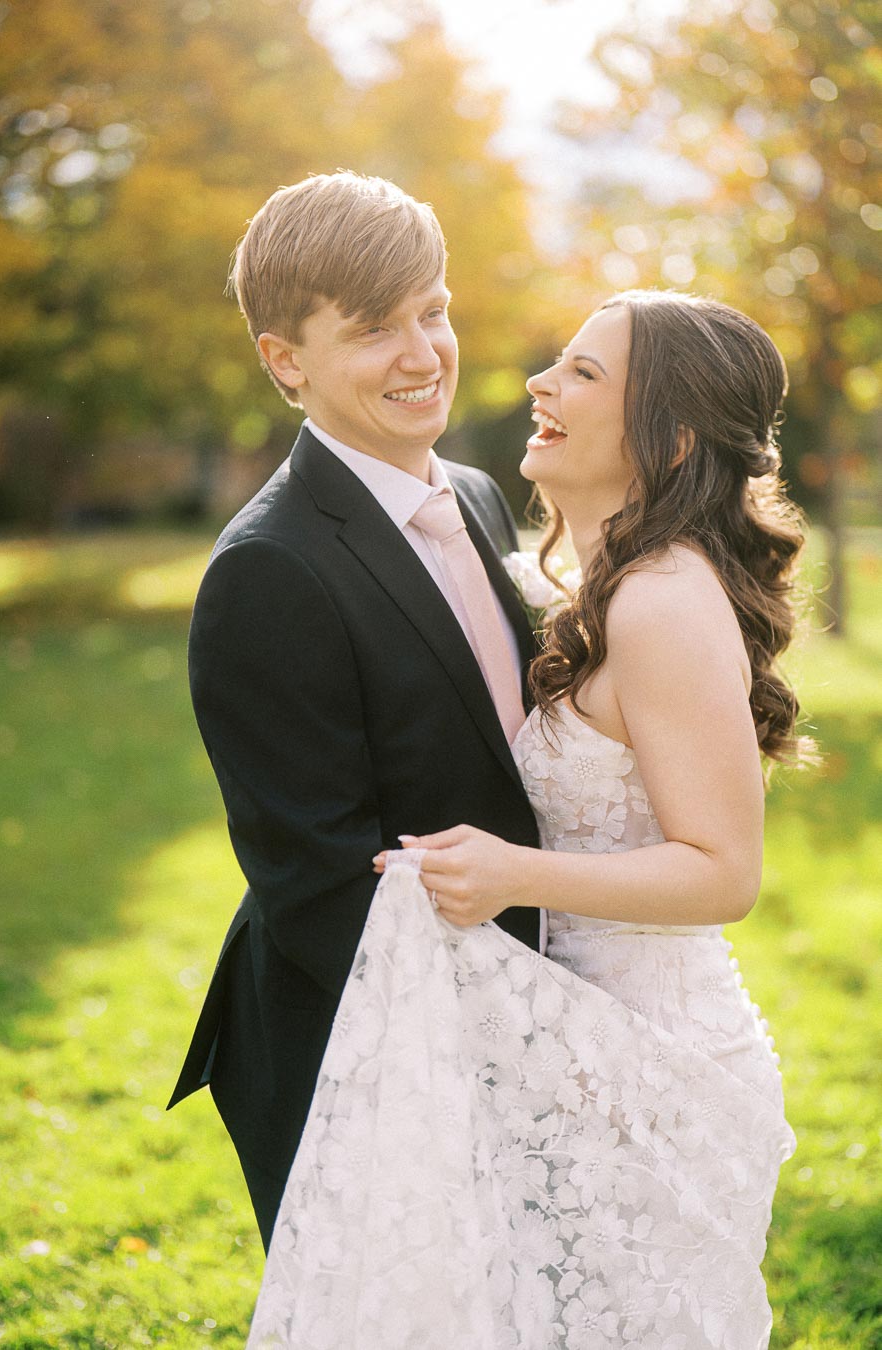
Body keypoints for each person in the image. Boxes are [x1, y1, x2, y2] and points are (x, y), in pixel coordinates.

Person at [247, 290, 804, 1349]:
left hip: (650, 1057)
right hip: (562, 1036)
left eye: (585, 374)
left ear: (672, 436)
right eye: (558, 362)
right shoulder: (593, 579)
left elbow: (723, 873)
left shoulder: (661, 601)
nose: (541, 386)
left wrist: (512, 875)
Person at [166, 171, 542, 1250]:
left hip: (515, 999)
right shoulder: (268, 571)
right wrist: (514, 1042)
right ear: (287, 361)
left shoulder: (472, 493)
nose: (423, 353)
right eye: (375, 328)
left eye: (433, 309)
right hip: (365, 1043)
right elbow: (323, 879)